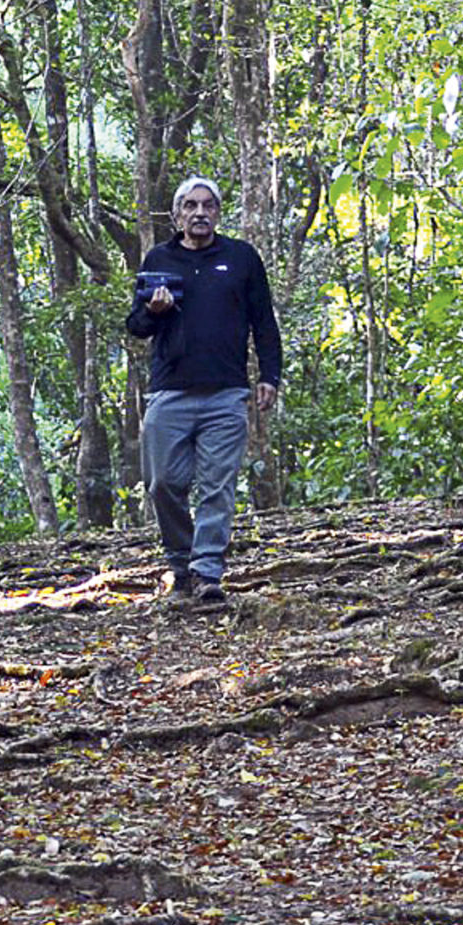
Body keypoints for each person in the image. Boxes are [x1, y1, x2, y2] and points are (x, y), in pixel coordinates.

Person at [124, 176, 283, 604]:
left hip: (226, 392)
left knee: (217, 485)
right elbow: (136, 326)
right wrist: (155, 312)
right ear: (177, 215)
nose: (199, 213)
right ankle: (180, 562)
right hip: (169, 392)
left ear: (217, 212)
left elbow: (264, 323)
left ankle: (207, 571)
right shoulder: (160, 259)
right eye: (190, 206)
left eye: (207, 205)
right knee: (162, 483)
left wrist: (270, 375)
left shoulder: (241, 258)